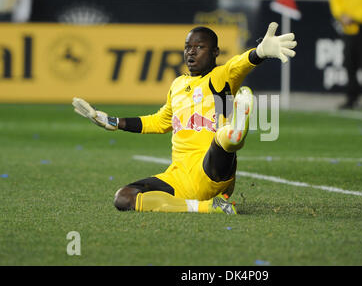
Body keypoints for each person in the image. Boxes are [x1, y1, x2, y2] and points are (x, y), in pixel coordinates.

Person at [72, 22, 296, 214]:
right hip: (178, 177)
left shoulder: (221, 77)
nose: (191, 52)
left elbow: (240, 64)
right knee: (123, 197)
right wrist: (112, 121)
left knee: (223, 138)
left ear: (215, 52)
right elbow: (159, 122)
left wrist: (260, 52)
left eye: (199, 47)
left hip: (211, 170)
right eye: (188, 47)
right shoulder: (177, 85)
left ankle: (234, 133)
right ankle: (208, 207)